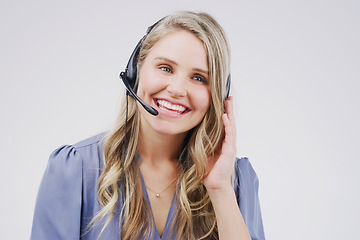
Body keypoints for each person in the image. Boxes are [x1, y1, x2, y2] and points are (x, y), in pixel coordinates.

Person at [31, 11, 265, 240]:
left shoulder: (234, 182)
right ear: (136, 71)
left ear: (216, 95)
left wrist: (220, 190)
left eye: (198, 78)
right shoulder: (75, 169)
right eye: (165, 68)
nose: (177, 89)